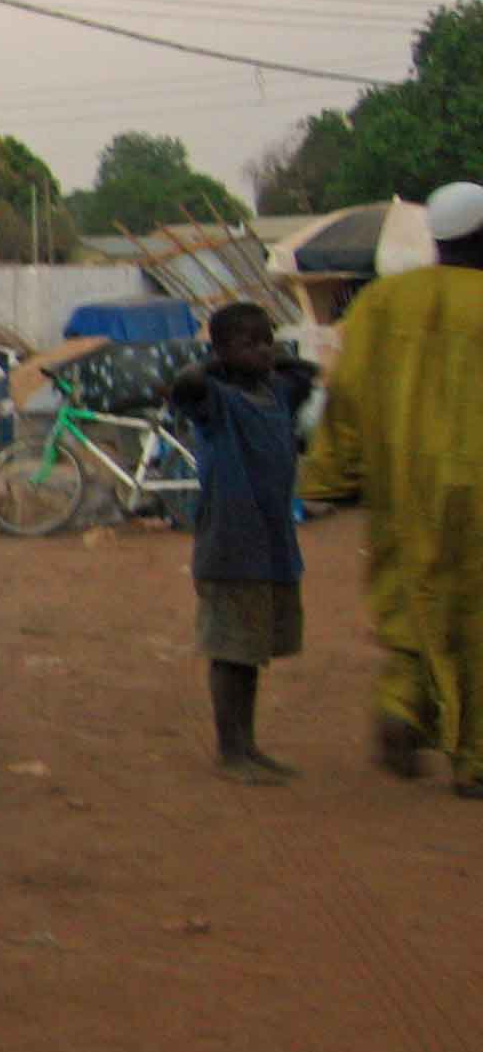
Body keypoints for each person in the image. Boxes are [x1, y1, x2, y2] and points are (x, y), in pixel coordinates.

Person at [300, 179, 483, 799]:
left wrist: (329, 476)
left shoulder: (381, 305)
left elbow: (344, 400)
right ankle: (474, 759)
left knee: (412, 603)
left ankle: (406, 705)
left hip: (403, 490)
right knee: (476, 621)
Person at [169, 303, 319, 783]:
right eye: (248, 343)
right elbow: (184, 385)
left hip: (271, 547)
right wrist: (219, 364)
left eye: (266, 340)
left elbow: (308, 371)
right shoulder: (215, 401)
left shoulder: (276, 392)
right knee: (231, 653)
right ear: (220, 352)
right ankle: (231, 752)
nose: (263, 350)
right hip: (231, 546)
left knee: (251, 653)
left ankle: (247, 745)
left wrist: (262, 359)